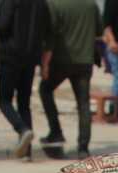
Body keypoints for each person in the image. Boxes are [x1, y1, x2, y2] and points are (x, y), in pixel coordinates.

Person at [40, 0, 102, 156]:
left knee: (45, 89)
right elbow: (99, 31)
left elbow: (50, 34)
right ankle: (83, 148)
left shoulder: (56, 5)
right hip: (85, 61)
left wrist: (45, 63)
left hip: (61, 60)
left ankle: (55, 131)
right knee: (83, 104)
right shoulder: (91, 5)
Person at [0, 0, 48, 160]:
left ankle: (22, 129)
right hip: (31, 58)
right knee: (24, 104)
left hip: (10, 56)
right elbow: (45, 28)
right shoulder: (41, 3)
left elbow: (2, 26)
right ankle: (27, 152)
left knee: (3, 100)